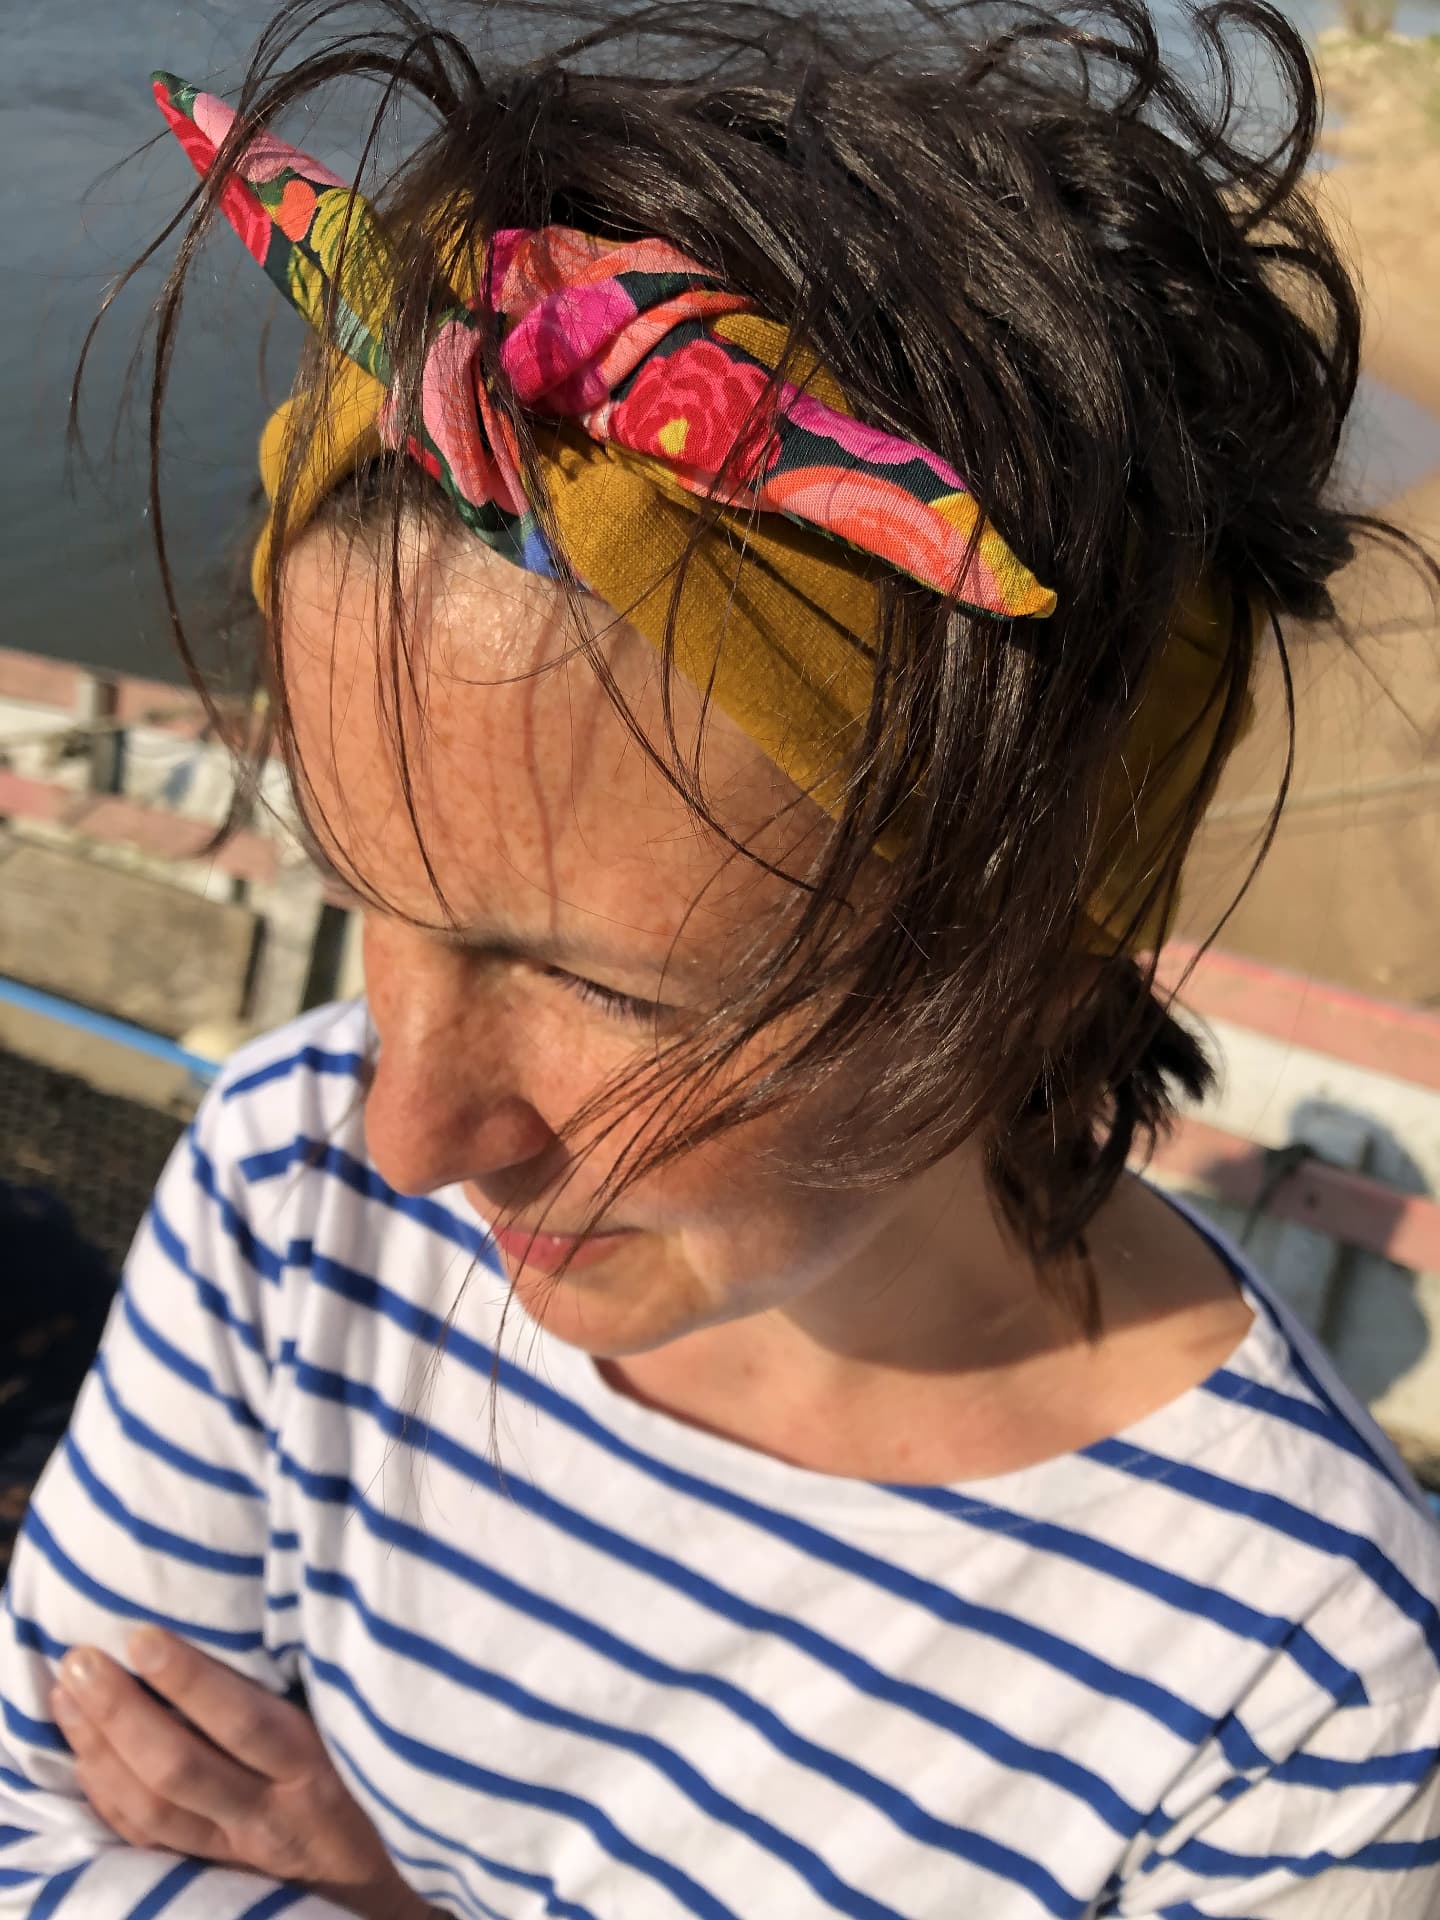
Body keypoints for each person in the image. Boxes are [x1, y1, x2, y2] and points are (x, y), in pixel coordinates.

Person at [3, 0, 1438, 1913]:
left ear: (1025, 957)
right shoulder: (286, 1189)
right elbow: (46, 1824)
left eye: (612, 988)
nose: (405, 1136)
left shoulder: (1305, 1704)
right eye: (357, 883)